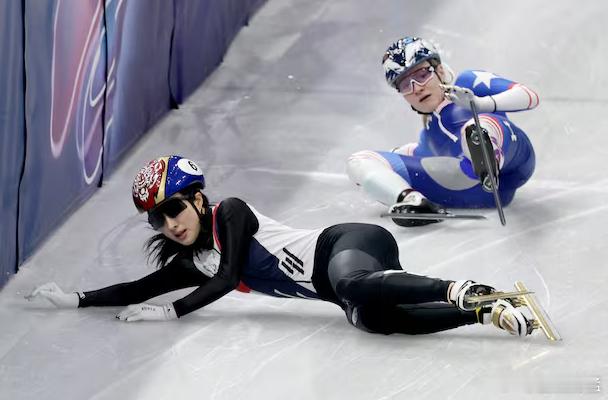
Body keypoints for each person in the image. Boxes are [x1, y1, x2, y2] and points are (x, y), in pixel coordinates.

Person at [27, 155, 535, 337]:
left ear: (198, 199)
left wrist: (173, 313)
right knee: (373, 318)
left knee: (354, 287)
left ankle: (461, 289)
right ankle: (488, 312)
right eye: (156, 219)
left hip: (346, 244)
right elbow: (139, 287)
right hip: (336, 287)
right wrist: (76, 299)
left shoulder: (231, 212)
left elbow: (228, 277)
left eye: (173, 209)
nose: (169, 224)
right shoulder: (193, 261)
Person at [346, 36, 539, 227]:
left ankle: (488, 160)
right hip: (470, 189)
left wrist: (481, 104)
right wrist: (382, 173)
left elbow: (530, 96)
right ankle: (412, 201)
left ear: (439, 70)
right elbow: (403, 158)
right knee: (360, 160)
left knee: (476, 126)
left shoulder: (467, 83)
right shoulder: (428, 137)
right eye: (405, 85)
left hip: (513, 163)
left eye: (422, 75)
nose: (417, 88)